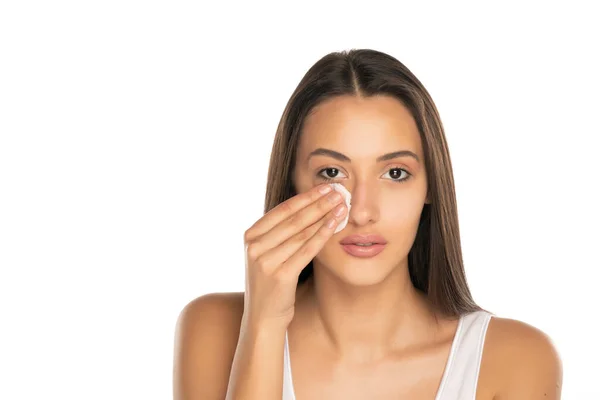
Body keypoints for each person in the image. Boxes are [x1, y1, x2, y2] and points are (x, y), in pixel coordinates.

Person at [173, 48, 562, 399]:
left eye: (394, 173)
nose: (362, 212)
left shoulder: (516, 360)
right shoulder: (214, 330)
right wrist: (264, 325)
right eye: (331, 172)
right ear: (292, 184)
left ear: (430, 186)